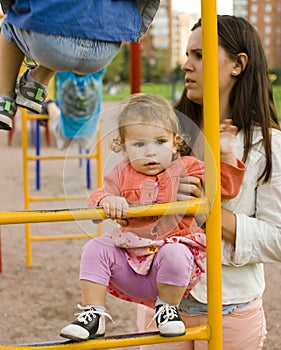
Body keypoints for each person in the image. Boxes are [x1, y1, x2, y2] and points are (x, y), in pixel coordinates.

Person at [137, 15, 281, 350]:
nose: (186, 65)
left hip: (230, 308)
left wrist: (209, 213)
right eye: (187, 55)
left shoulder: (269, 144)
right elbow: (133, 212)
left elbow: (277, 239)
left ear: (238, 64)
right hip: (162, 305)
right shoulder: (163, 135)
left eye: (199, 56)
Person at [59, 93, 245, 342]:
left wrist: (226, 155)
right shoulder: (121, 173)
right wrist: (107, 200)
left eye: (160, 142)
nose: (150, 153)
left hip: (171, 270)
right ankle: (94, 313)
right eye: (138, 145)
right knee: (95, 247)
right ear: (123, 148)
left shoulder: (187, 166)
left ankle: (167, 310)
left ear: (175, 143)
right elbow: (97, 197)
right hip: (131, 265)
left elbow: (225, 187)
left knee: (176, 252)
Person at [0, 0, 160, 130]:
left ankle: (4, 101)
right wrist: (135, 29)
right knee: (69, 23)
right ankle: (36, 82)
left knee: (10, 22)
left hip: (51, 43)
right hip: (105, 49)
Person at [42, 69, 105, 150]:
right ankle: (50, 104)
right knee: (62, 146)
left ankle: (50, 104)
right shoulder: (65, 74)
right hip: (66, 127)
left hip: (87, 129)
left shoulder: (94, 74)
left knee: (84, 146)